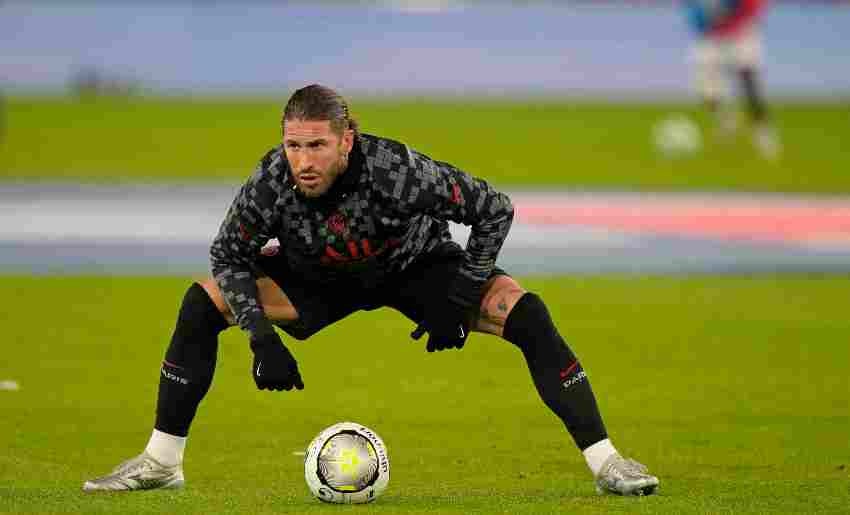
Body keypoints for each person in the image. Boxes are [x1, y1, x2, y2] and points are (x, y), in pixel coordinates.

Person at [82, 84, 659, 496]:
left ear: (347, 140)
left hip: (413, 266)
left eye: (316, 146)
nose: (302, 161)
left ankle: (609, 463)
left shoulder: (396, 170)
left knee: (527, 314)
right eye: (293, 146)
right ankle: (161, 463)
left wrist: (459, 301)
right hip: (316, 277)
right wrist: (261, 339)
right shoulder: (271, 180)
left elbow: (493, 210)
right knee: (201, 301)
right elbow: (227, 252)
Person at [686, 0, 781, 158]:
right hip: (711, 37)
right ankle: (725, 118)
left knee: (749, 84)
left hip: (741, 34)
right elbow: (694, 13)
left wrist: (732, 20)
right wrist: (707, 23)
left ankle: (764, 134)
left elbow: (754, 7)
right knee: (704, 88)